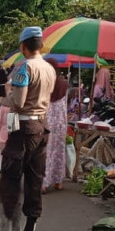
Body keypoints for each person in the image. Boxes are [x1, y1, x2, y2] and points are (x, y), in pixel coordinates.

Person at [0, 26, 56, 231]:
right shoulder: (49, 68)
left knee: (10, 178)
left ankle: (8, 228)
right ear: (40, 45)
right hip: (42, 126)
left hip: (23, 128)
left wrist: (3, 97)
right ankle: (30, 230)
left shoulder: (24, 68)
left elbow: (19, 102)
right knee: (35, 178)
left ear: (23, 46)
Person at [42, 58, 69, 193]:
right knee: (58, 151)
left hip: (46, 121)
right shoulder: (64, 84)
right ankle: (58, 182)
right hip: (60, 123)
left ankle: (44, 183)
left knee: (45, 152)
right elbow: (64, 106)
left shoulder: (43, 83)